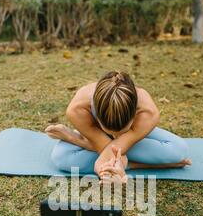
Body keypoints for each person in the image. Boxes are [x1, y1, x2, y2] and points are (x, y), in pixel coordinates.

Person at [45, 70, 191, 183]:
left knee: (179, 149)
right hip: (98, 135)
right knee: (60, 157)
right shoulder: (77, 109)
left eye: (122, 131)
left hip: (132, 137)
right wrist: (113, 169)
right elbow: (108, 147)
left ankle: (80, 140)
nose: (115, 136)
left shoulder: (148, 112)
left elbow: (116, 148)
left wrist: (76, 140)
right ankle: (135, 164)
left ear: (135, 115)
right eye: (110, 132)